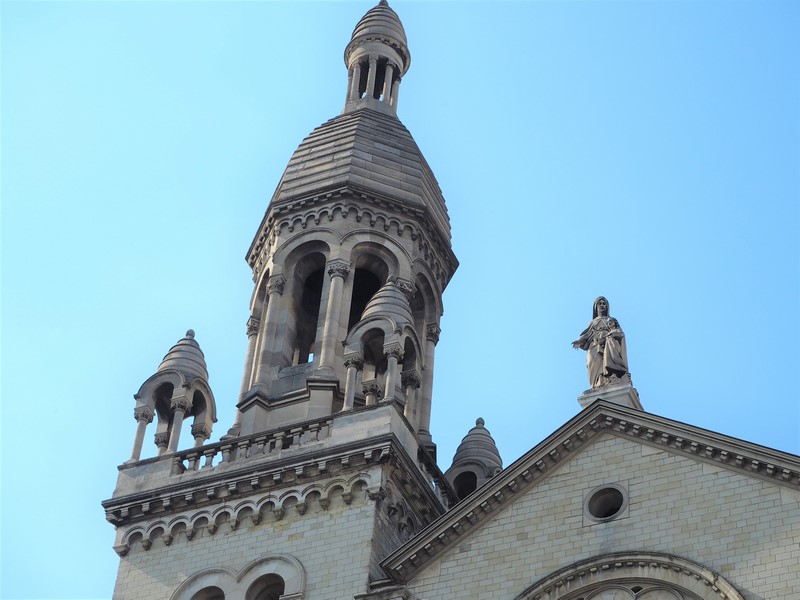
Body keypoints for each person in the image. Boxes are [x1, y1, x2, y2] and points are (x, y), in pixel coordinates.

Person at [572, 296, 629, 389]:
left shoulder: (611, 320)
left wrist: (610, 336)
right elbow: (586, 334)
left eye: (604, 304)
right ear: (596, 307)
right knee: (593, 363)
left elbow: (619, 332)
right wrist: (579, 341)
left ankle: (608, 379)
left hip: (608, 343)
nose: (602, 305)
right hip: (594, 344)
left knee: (607, 360)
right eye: (600, 303)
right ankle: (596, 384)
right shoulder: (593, 322)